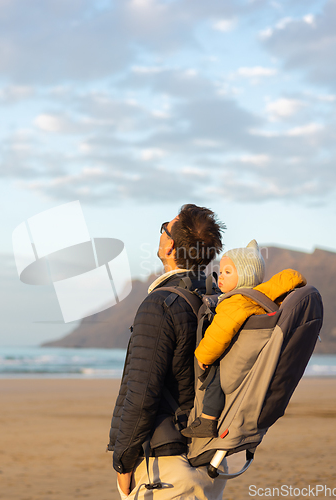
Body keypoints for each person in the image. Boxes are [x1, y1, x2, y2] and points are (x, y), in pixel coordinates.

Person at [108, 204, 227, 500]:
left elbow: (141, 391)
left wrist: (123, 462)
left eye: (164, 226)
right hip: (209, 459)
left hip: (167, 469)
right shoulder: (216, 301)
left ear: (170, 245)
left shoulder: (161, 305)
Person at [182, 240, 306, 438]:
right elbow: (290, 278)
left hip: (235, 366)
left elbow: (219, 334)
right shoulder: (261, 297)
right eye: (221, 272)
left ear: (246, 275)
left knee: (214, 373)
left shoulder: (236, 303)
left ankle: (207, 419)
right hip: (255, 361)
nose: (221, 276)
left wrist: (203, 356)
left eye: (228, 272)